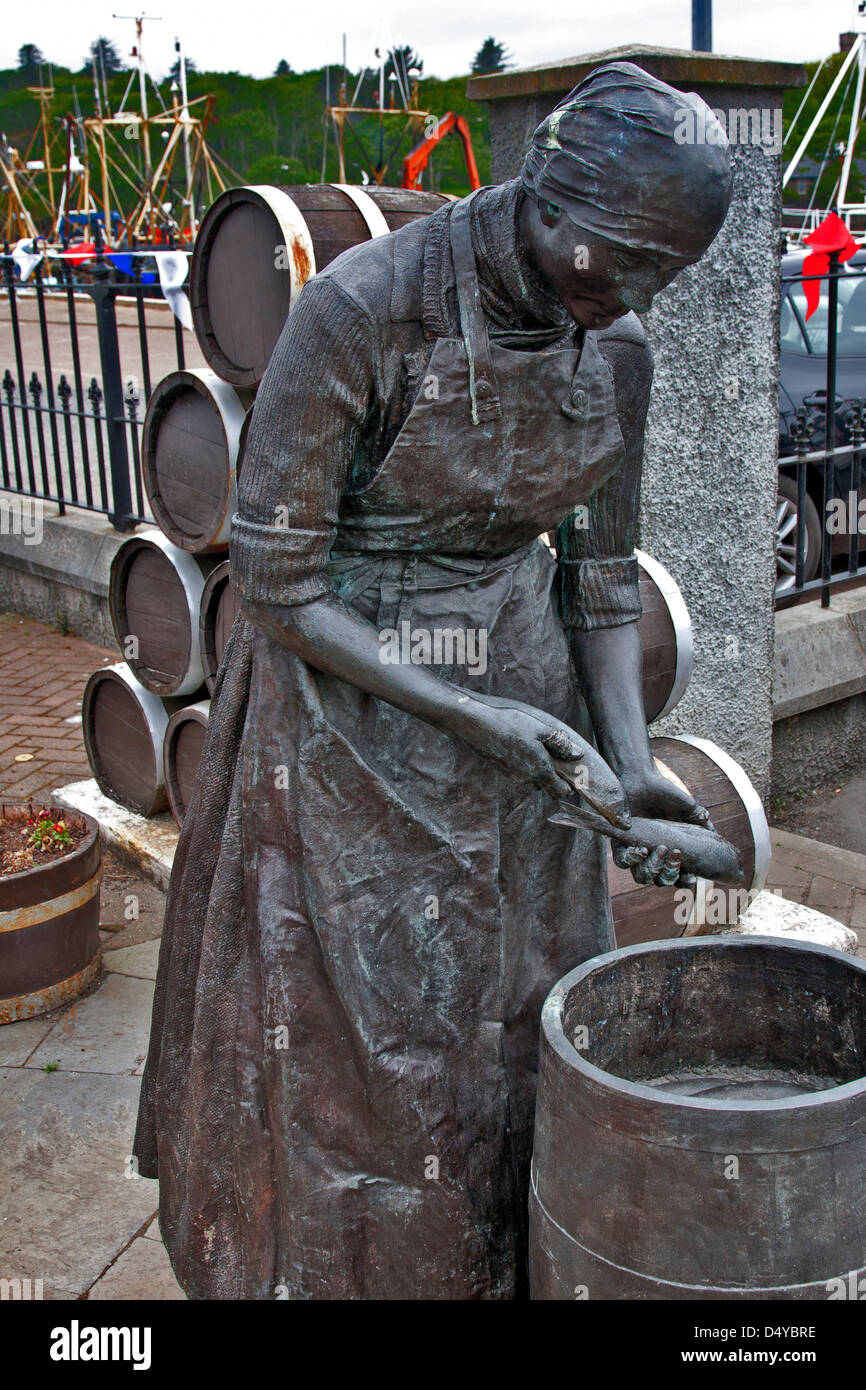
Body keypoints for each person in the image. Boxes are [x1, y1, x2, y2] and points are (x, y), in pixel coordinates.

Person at [134, 61, 733, 1300]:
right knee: (366, 1043)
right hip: (343, 689)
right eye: (612, 260)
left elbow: (604, 578)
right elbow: (279, 582)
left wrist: (623, 760)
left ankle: (495, 1261)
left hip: (518, 685)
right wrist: (477, 714)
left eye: (656, 277)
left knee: (519, 1007)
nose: (626, 299)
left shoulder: (612, 345)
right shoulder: (364, 309)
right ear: (543, 198)